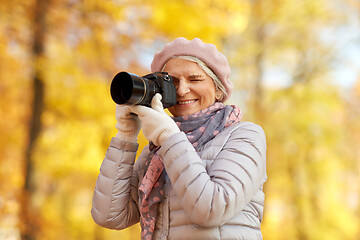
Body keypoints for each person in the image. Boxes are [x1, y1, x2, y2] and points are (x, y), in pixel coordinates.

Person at [91, 37, 267, 240]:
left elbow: (212, 209)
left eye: (194, 79)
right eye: (173, 82)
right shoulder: (157, 150)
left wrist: (169, 138)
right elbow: (110, 216)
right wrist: (126, 135)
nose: (182, 90)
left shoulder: (244, 135)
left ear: (219, 90)